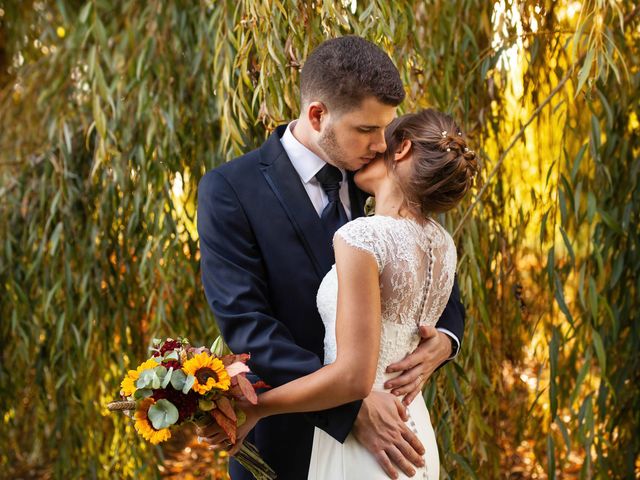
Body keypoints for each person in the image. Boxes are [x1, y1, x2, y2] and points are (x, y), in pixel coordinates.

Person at [196, 36, 467, 480]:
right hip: (284, 444)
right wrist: (349, 404)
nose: (382, 144)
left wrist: (445, 339)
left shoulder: (378, 177)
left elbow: (433, 270)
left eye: (385, 128)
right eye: (365, 129)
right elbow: (249, 326)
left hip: (393, 441)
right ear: (318, 115)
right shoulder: (231, 190)